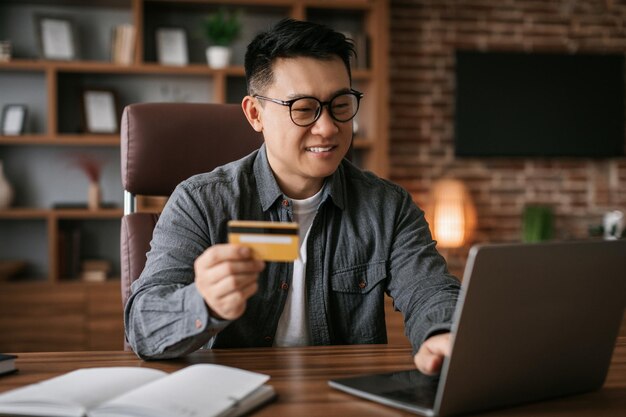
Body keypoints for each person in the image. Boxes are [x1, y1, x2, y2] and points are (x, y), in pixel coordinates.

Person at [124, 18, 460, 375]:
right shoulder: (201, 202)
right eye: (303, 109)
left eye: (341, 105)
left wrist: (442, 334)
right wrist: (202, 302)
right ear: (256, 114)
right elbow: (143, 328)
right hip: (233, 395)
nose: (328, 128)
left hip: (340, 398)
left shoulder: (387, 206)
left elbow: (431, 290)